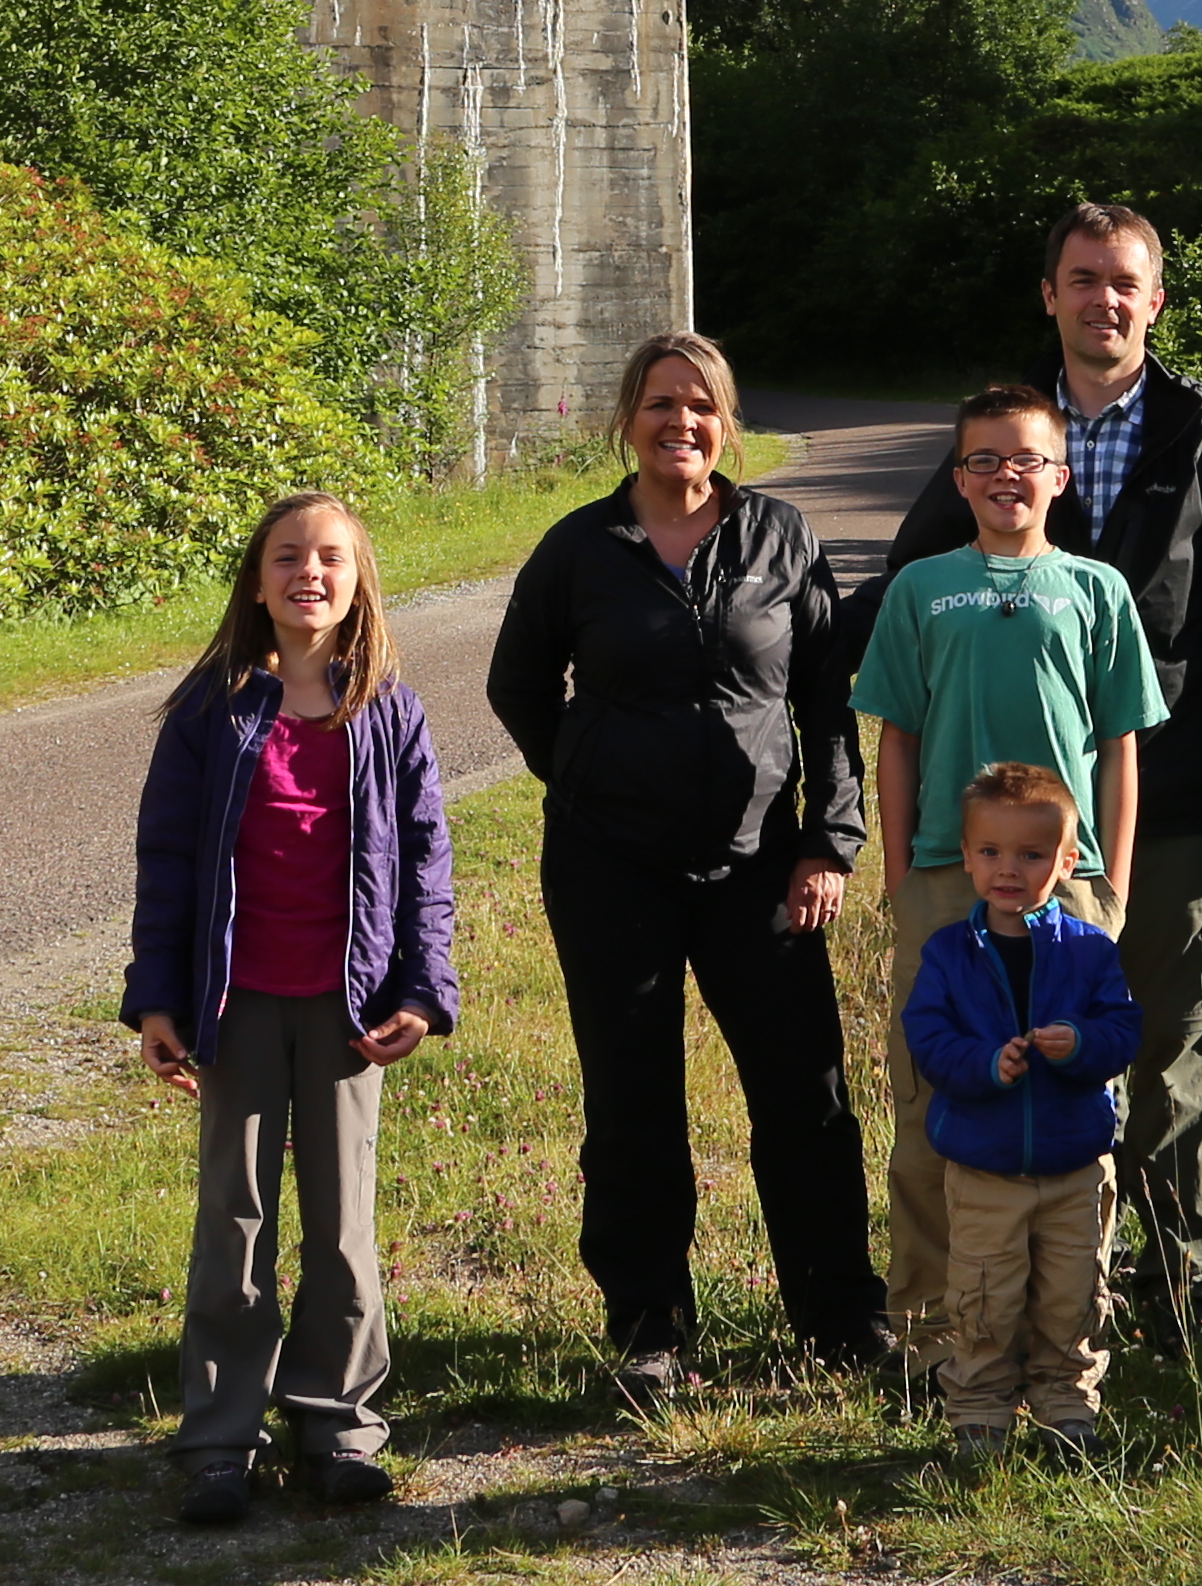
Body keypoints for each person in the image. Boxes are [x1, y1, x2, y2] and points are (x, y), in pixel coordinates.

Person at [882, 200, 1202, 1323]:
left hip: (1158, 804)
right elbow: (912, 588)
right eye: (1082, 280)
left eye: (1124, 282)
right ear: (1051, 296)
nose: (1102, 300)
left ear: (1154, 300)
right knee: (988, 1052)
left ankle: (1182, 1285)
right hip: (994, 835)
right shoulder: (1004, 431)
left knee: (1169, 1046)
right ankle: (1005, 1298)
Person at [485, 329, 890, 1395]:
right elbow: (518, 687)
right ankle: (651, 1330)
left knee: (805, 1095)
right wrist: (585, 778)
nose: (682, 423)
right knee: (633, 1102)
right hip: (610, 867)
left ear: (728, 424)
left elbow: (827, 704)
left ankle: (839, 1315)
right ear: (628, 419)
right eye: (662, 403)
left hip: (762, 867)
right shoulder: (580, 550)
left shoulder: (781, 538)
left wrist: (827, 843)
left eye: (701, 405)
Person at [123, 490, 457, 1530]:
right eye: (286, 557)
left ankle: (339, 1424)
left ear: (359, 583)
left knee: (345, 1226)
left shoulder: (389, 710)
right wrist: (158, 999)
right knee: (235, 1217)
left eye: (329, 559)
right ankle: (222, 1438)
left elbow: (427, 864)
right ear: (256, 579)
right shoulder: (209, 710)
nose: (307, 573)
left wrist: (423, 988)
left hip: (348, 1007)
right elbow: (167, 862)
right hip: (237, 1004)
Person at [850, 381, 1164, 1341]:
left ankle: (1065, 1327)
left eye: (1026, 458)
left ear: (1060, 476)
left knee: (1073, 1092)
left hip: (1067, 887)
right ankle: (933, 1332)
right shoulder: (920, 588)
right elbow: (895, 736)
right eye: (983, 459)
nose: (1005, 476)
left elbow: (1119, 744)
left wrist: (1107, 877)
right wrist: (904, 872)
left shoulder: (1096, 590)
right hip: (946, 877)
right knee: (932, 1095)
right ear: (959, 477)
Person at [895, 759, 1144, 1469]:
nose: (1010, 869)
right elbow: (929, 1039)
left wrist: (1082, 1044)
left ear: (1068, 861)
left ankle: (1069, 1412)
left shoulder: (1091, 951)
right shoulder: (949, 953)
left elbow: (1125, 1030)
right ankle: (979, 1416)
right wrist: (983, 1065)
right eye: (993, 853)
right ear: (967, 857)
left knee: (1073, 1296)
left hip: (1075, 1164)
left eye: (1032, 855)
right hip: (984, 1166)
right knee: (982, 1298)